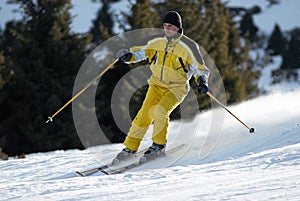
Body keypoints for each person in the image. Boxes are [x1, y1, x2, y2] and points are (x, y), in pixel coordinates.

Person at [114, 11, 210, 163]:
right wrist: (128, 56)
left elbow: (200, 68)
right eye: (165, 26)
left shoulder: (189, 46)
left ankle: (158, 146)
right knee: (144, 114)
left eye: (170, 26)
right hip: (156, 85)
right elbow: (140, 52)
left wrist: (202, 81)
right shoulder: (156, 40)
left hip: (176, 88)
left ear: (178, 27)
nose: (167, 29)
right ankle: (130, 148)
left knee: (160, 111)